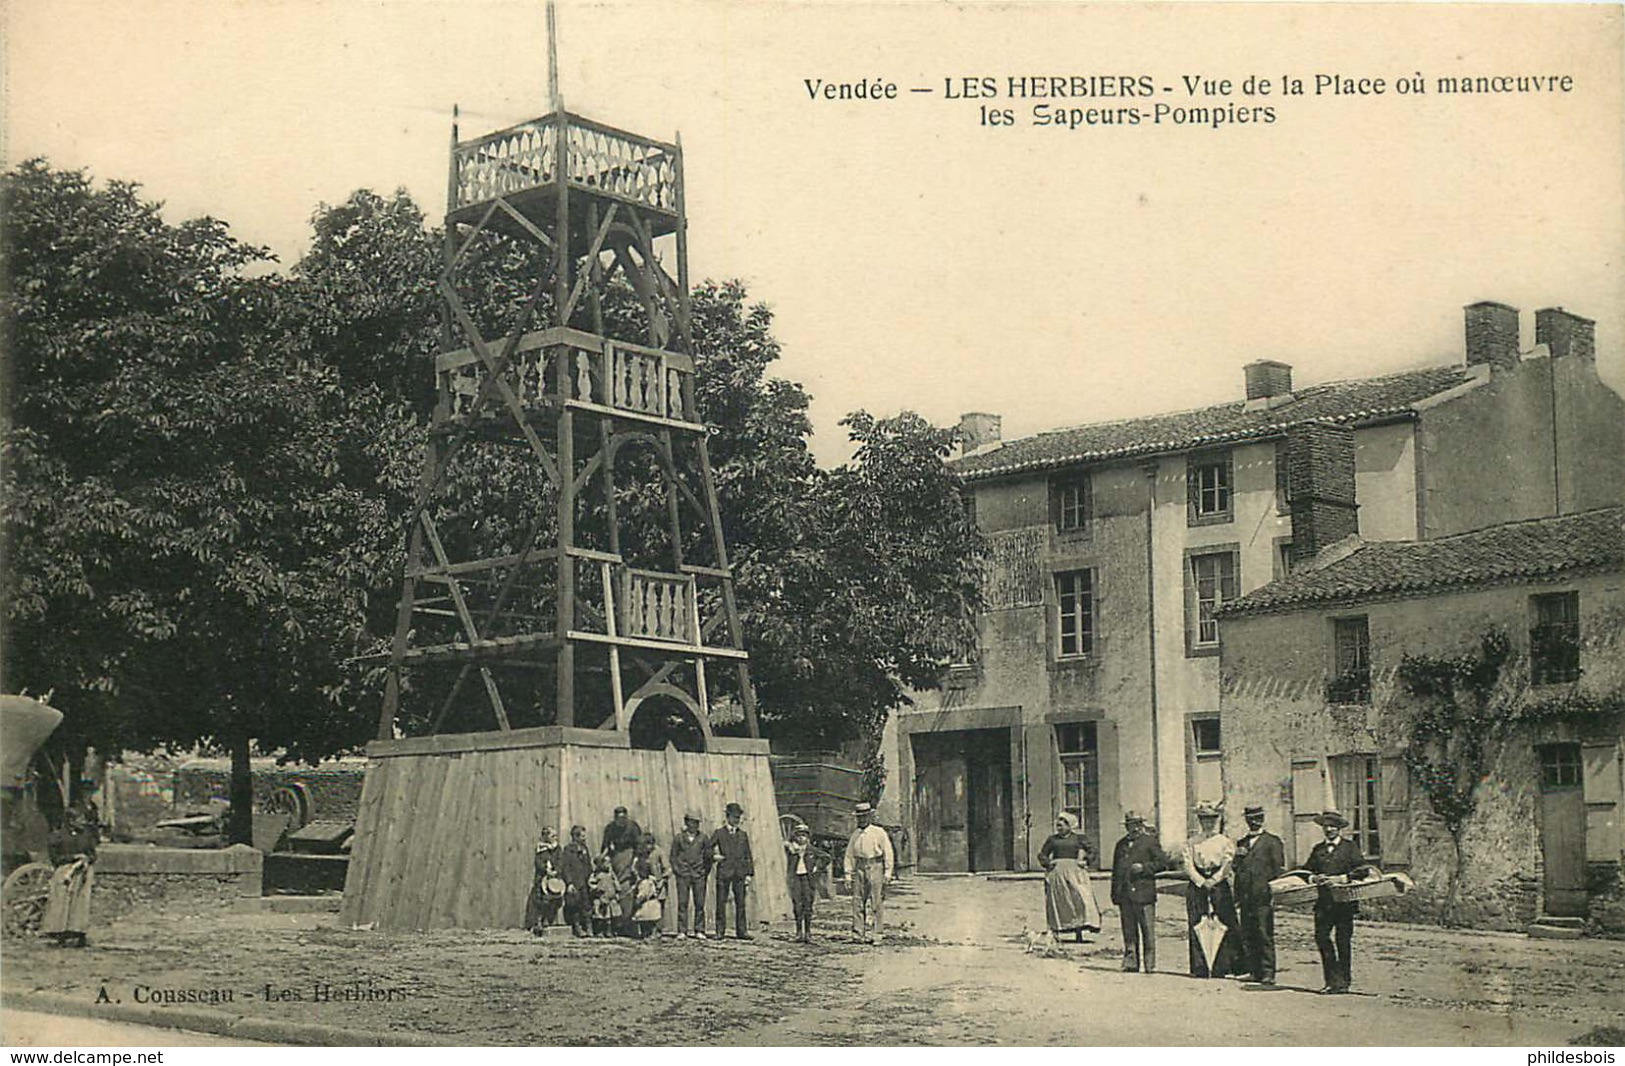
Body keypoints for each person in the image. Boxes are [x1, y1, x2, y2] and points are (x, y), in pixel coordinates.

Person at [1305, 810, 1366, 994]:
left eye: (1333, 826)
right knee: (1321, 938)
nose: (1329, 829)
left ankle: (1344, 982)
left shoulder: (1350, 848)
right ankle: (1331, 980)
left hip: (1344, 903)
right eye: (1326, 826)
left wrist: (1342, 878)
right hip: (1323, 903)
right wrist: (1314, 878)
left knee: (1343, 941)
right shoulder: (1318, 850)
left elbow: (1363, 870)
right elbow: (1306, 871)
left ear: (1339, 828)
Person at [1182, 801, 1240, 978]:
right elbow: (1188, 865)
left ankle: (1223, 966)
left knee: (1224, 921)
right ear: (1200, 821)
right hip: (1198, 883)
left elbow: (1227, 864)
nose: (1208, 823)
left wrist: (1214, 880)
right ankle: (1200, 966)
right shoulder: (1192, 842)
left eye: (1211, 820)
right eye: (1204, 820)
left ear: (1216, 821)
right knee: (1197, 922)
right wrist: (1200, 881)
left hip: (1218, 883)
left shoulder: (1225, 841)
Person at [1232, 804, 1285, 984]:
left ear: (1263, 819)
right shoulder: (1242, 842)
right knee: (1248, 933)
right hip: (1245, 896)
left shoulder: (1273, 841)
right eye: (1251, 819)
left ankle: (1268, 972)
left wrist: (1274, 893)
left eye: (1258, 818)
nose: (1254, 822)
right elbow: (1237, 870)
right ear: (1246, 821)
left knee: (1264, 933)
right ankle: (1254, 970)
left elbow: (1278, 870)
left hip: (1263, 896)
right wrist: (1237, 859)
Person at [1109, 810, 1163, 973]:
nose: (1134, 828)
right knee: (1129, 930)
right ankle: (1131, 962)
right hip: (1125, 894)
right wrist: (1115, 892)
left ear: (1142, 825)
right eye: (1130, 825)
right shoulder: (1121, 844)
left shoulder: (1150, 842)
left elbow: (1162, 863)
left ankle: (1149, 964)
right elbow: (1116, 870)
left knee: (1147, 930)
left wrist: (1144, 868)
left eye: (1137, 825)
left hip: (1143, 893)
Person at [1037, 812, 1103, 943]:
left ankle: (1079, 931)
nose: (1060, 826)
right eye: (1058, 824)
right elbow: (1042, 854)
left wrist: (1086, 861)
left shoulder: (1079, 838)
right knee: (1060, 901)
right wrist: (1047, 863)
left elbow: (1092, 851)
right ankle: (1056, 931)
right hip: (1057, 873)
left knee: (1079, 899)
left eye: (1063, 824)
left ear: (1070, 826)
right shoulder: (1052, 839)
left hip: (1075, 872)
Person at [41, 804, 98, 948]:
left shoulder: (86, 835)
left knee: (80, 902)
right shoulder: (58, 837)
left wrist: (86, 859)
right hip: (65, 871)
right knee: (62, 900)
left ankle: (79, 933)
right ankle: (59, 933)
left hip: (83, 871)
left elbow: (93, 854)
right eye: (79, 819)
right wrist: (72, 857)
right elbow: (55, 858)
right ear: (71, 821)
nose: (82, 822)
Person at [843, 801, 894, 944]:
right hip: (860, 867)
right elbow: (849, 855)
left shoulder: (878, 832)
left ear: (869, 817)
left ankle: (877, 934)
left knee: (876, 901)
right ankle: (858, 933)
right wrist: (848, 874)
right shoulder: (855, 834)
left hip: (875, 865)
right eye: (859, 817)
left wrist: (888, 873)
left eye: (864, 817)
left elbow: (888, 852)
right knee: (858, 901)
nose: (861, 820)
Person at [707, 802, 754, 940]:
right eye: (734, 817)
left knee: (741, 903)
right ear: (727, 817)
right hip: (724, 872)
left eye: (738, 817)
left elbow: (748, 855)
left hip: (739, 873)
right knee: (721, 902)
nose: (736, 820)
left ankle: (742, 931)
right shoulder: (719, 833)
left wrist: (749, 874)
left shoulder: (743, 835)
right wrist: (715, 857)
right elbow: (708, 849)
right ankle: (720, 932)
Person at [784, 823, 831, 943]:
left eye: (804, 836)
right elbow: (783, 845)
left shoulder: (811, 851)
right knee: (797, 905)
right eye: (798, 836)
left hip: (807, 879)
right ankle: (799, 932)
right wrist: (789, 844)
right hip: (796, 879)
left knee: (808, 904)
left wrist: (817, 867)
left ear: (808, 838)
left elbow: (826, 857)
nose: (801, 838)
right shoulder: (792, 850)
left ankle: (808, 932)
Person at [602, 806, 643, 935]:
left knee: (627, 890)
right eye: (618, 818)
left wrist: (634, 863)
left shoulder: (633, 827)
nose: (621, 821)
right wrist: (604, 860)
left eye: (623, 818)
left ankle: (628, 924)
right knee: (614, 891)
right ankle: (616, 925)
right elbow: (605, 846)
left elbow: (638, 847)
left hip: (629, 858)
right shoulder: (610, 828)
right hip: (615, 859)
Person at [669, 811, 709, 939]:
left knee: (700, 903)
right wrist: (678, 871)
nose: (695, 825)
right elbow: (673, 857)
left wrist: (704, 871)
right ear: (687, 823)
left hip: (698, 875)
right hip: (683, 874)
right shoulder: (679, 838)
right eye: (692, 822)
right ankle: (682, 930)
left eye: (697, 823)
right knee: (683, 902)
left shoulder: (703, 838)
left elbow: (708, 856)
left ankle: (699, 930)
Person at [525, 827, 566, 934]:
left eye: (556, 836)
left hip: (555, 878)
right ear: (545, 836)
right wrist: (545, 869)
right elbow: (538, 862)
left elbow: (560, 861)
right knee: (541, 899)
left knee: (554, 899)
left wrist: (556, 870)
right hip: (542, 878)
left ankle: (549, 919)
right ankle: (538, 921)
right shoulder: (541, 848)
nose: (555, 838)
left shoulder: (557, 848)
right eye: (552, 836)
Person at [558, 824, 594, 937]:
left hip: (585, 881)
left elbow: (588, 865)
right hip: (575, 882)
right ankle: (577, 928)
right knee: (574, 905)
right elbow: (565, 867)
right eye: (582, 836)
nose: (584, 838)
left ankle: (588, 927)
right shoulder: (568, 850)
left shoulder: (585, 849)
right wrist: (569, 883)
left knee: (586, 905)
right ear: (575, 837)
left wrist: (591, 876)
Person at [631, 833, 669, 939]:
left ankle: (657, 930)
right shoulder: (640, 853)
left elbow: (667, 868)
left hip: (658, 883)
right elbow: (634, 867)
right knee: (644, 908)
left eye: (649, 844)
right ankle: (645, 931)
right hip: (644, 883)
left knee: (658, 907)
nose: (648, 847)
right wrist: (637, 877)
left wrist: (662, 880)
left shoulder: (659, 852)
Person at [588, 855, 621, 937]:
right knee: (600, 915)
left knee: (609, 917)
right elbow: (591, 883)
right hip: (601, 897)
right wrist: (596, 889)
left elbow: (616, 883)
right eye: (606, 863)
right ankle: (599, 931)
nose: (608, 865)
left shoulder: (611, 874)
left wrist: (617, 891)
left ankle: (609, 931)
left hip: (610, 897)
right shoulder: (597, 875)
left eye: (609, 863)